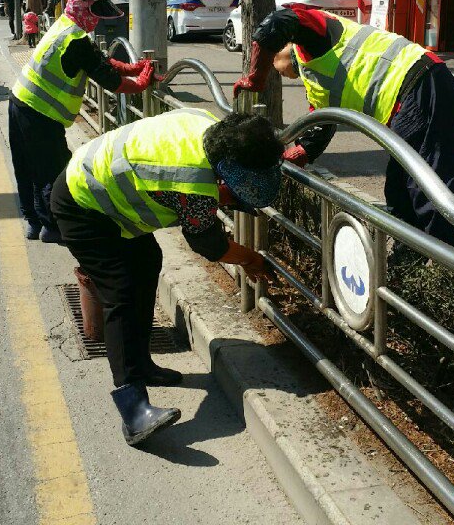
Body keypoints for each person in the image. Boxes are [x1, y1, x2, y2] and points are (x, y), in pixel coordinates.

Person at [50, 109, 282, 445]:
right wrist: (249, 259)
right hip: (82, 203)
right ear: (222, 177)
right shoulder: (194, 184)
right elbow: (210, 245)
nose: (231, 202)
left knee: (147, 261)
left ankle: (142, 364)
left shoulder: (210, 128)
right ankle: (133, 410)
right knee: (122, 291)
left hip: (105, 193)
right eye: (234, 195)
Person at [234, 4, 454, 264]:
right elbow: (314, 137)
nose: (279, 73)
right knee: (400, 191)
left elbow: (274, 24)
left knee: (427, 188)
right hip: (414, 96)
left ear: (287, 46)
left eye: (275, 62)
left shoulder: (316, 35)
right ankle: (411, 260)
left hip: (419, 83)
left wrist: (257, 76)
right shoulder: (315, 83)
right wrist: (279, 164)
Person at [9, 0, 154, 243]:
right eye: (96, 14)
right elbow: (109, 80)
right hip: (39, 112)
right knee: (54, 170)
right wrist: (142, 83)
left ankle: (33, 222)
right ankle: (53, 227)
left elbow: (97, 60)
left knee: (27, 166)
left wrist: (132, 68)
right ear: (86, 10)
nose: (99, 21)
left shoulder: (64, 26)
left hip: (20, 101)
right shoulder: (75, 38)